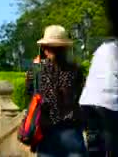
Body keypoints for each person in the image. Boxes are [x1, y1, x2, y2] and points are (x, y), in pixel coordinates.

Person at [25, 25, 86, 156]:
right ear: (65, 49)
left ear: (45, 49)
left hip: (46, 130)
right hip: (71, 130)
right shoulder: (75, 70)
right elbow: (81, 96)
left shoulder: (37, 72)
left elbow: (30, 96)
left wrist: (36, 66)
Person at [79, 38, 118, 155]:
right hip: (108, 101)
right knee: (114, 140)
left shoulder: (102, 48)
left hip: (88, 100)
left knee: (94, 142)